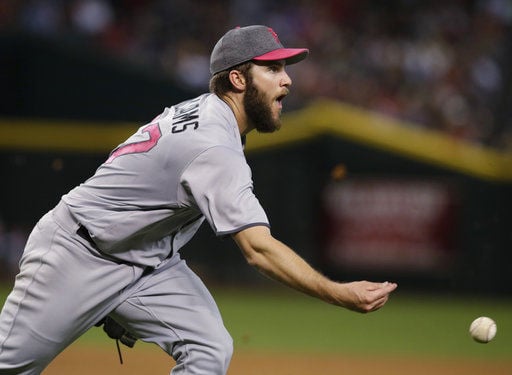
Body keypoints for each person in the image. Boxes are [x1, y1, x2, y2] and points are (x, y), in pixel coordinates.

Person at [0, 25, 397, 374]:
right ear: (239, 80)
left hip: (146, 260)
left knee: (209, 349)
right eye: (273, 68)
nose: (287, 80)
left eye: (285, 68)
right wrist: (339, 293)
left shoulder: (207, 113)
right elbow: (259, 250)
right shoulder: (213, 145)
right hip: (78, 254)